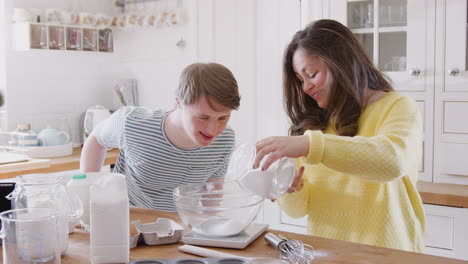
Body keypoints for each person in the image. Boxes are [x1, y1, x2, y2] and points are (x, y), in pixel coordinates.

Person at [253, 19, 425, 252]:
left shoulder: (397, 107)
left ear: (342, 63)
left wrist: (309, 146)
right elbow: (299, 210)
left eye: (312, 74)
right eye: (300, 79)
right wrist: (289, 189)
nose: (305, 88)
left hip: (389, 254)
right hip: (329, 253)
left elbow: (392, 161)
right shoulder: (313, 128)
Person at [80, 62, 241, 212]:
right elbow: (95, 139)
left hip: (180, 228)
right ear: (179, 102)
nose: (213, 130)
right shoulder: (132, 123)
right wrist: (88, 196)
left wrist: (204, 230)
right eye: (203, 118)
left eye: (223, 118)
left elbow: (212, 195)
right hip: (128, 223)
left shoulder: (225, 139)